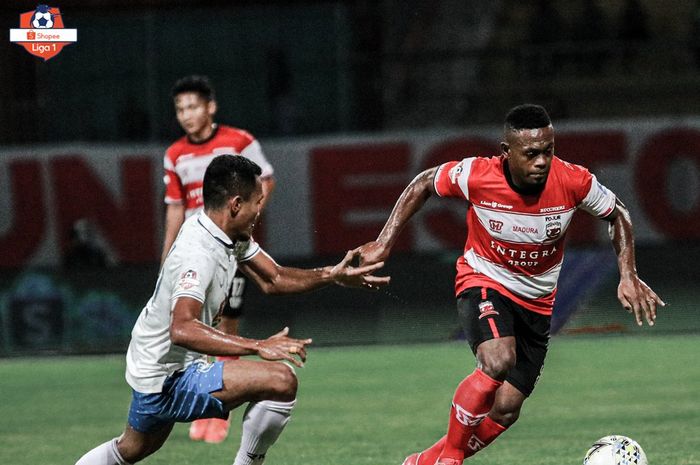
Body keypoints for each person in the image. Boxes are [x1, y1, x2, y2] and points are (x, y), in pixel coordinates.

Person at [358, 104, 664, 465]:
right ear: (507, 152)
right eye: (531, 153)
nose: (541, 162)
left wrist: (627, 274)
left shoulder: (573, 180)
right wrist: (384, 241)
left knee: (506, 409)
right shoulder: (478, 174)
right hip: (484, 282)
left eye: (547, 151)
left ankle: (422, 462)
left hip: (536, 305)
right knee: (497, 359)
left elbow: (618, 213)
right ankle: (450, 460)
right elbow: (424, 182)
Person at [74, 155, 389, 465]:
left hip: (153, 365)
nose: (259, 211)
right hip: (168, 377)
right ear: (236, 204)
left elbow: (274, 278)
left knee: (130, 449)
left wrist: (332, 275)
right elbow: (181, 328)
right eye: (257, 202)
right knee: (281, 380)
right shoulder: (197, 253)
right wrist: (257, 346)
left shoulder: (224, 231)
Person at [162, 75, 277, 443]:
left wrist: (245, 221)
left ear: (210, 107)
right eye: (180, 109)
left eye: (193, 106)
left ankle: (221, 409)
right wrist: (168, 258)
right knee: (196, 325)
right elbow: (175, 209)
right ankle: (205, 399)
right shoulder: (175, 154)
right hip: (195, 253)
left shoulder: (239, 141)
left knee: (227, 325)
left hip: (228, 249)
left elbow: (267, 181)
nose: (186, 115)